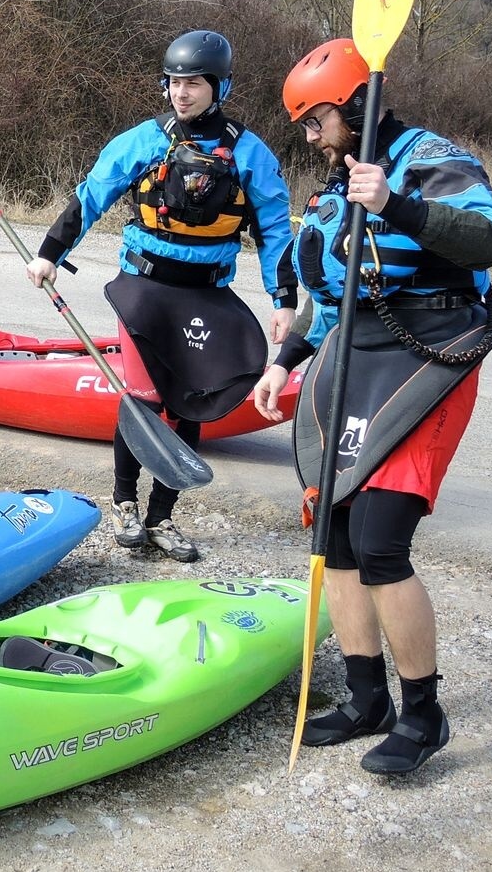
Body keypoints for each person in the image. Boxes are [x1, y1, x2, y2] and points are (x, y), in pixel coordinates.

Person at [252, 37, 492, 774]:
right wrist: (285, 361)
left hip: (432, 352)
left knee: (381, 541)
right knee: (331, 526)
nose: (308, 138)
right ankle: (367, 697)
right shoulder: (337, 183)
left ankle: (424, 715)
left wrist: (396, 202)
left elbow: (490, 239)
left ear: (354, 107)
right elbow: (332, 295)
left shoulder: (430, 158)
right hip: (354, 356)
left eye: (315, 122)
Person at [26, 31, 296, 561]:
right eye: (173, 82)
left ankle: (162, 517)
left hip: (206, 295)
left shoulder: (248, 152)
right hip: (144, 290)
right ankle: (125, 503)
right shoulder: (143, 141)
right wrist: (49, 253)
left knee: (193, 403)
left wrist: (283, 298)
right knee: (145, 398)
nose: (181, 92)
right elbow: (92, 195)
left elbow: (274, 228)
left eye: (193, 83)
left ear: (219, 87)